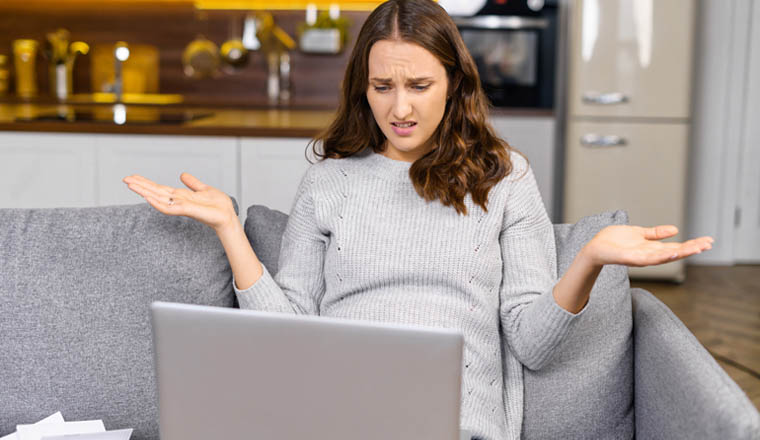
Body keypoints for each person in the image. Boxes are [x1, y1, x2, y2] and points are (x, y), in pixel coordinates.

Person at [123, 0, 714, 438]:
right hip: (332, 415)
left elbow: (532, 346)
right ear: (363, 89)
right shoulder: (331, 179)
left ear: (454, 84)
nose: (399, 108)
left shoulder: (505, 177)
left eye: (419, 85)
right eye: (382, 87)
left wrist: (589, 258)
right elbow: (289, 331)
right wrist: (230, 228)